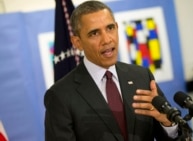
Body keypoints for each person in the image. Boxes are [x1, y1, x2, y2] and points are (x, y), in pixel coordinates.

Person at [44, 1, 181, 141]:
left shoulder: (142, 77)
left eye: (110, 28)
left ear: (117, 27)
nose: (107, 39)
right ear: (77, 42)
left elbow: (175, 137)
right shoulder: (60, 96)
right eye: (94, 33)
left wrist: (167, 124)